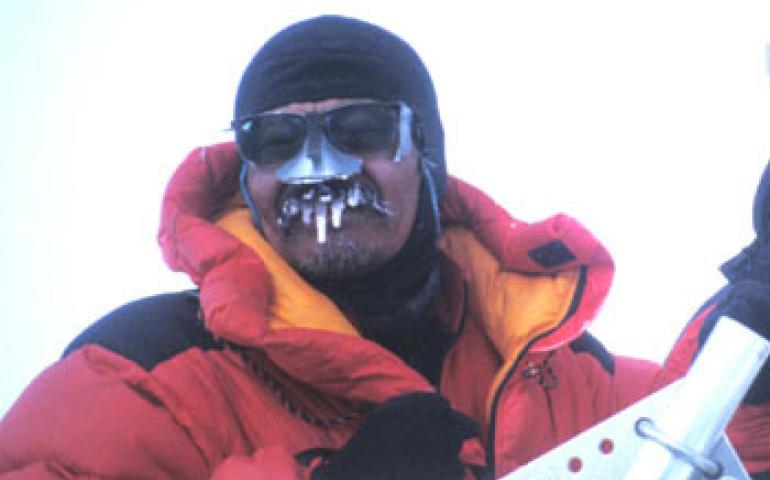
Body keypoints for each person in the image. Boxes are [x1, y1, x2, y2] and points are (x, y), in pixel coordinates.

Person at [1, 14, 769, 479]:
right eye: (276, 140)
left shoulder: (547, 373)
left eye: (359, 130)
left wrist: (757, 333)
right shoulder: (143, 374)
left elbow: (698, 442)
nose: (316, 168)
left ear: (426, 156)